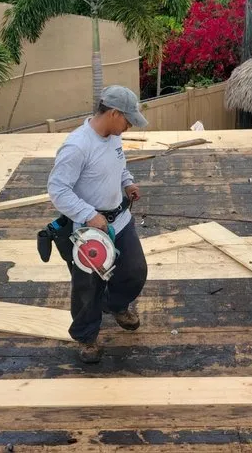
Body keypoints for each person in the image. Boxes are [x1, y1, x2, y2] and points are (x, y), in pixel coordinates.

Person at [47, 86, 149, 364]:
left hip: (119, 219)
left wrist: (127, 183)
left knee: (135, 271)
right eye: (127, 119)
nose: (129, 126)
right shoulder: (77, 146)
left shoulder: (113, 137)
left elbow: (119, 165)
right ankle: (87, 337)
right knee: (87, 287)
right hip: (87, 230)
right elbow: (57, 189)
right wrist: (89, 214)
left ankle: (115, 306)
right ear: (114, 113)